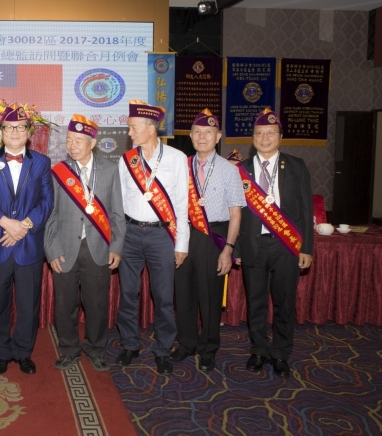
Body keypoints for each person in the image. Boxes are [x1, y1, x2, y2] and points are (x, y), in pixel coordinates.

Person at [0, 104, 54, 375]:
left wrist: (25, 225)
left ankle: (23, 352)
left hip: (28, 244)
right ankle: (2, 351)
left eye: (20, 127)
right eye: (9, 128)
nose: (15, 132)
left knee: (28, 303)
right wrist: (6, 223)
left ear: (29, 131)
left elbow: (47, 201)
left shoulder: (41, 162)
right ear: (1, 131)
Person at [235, 108, 313, 378]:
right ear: (253, 138)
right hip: (253, 245)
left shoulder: (296, 166)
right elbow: (236, 213)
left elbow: (306, 210)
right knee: (255, 302)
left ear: (280, 136)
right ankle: (258, 350)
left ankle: (280, 352)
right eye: (259, 133)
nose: (265, 138)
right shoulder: (241, 170)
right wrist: (236, 247)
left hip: (286, 246)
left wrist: (307, 248)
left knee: (284, 302)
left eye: (270, 133)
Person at [44, 115, 125, 372]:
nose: (72, 145)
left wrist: (116, 246)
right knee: (64, 304)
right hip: (65, 249)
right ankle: (69, 349)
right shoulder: (59, 172)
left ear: (92, 143)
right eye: (69, 140)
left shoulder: (110, 169)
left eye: (79, 141)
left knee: (97, 304)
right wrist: (52, 250)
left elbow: (117, 213)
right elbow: (51, 215)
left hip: (98, 248)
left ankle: (96, 349)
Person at [116, 100, 189, 375]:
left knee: (163, 296)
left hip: (162, 235)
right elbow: (120, 202)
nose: (130, 133)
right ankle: (130, 344)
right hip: (130, 234)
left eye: (133, 128)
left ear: (150, 128)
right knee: (128, 293)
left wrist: (181, 243)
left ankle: (163, 349)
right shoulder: (127, 159)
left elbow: (182, 204)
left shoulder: (176, 158)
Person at [171, 109, 244, 372]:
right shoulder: (181, 166)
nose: (202, 137)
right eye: (197, 132)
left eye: (208, 133)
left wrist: (228, 249)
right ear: (190, 136)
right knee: (183, 293)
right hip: (184, 235)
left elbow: (236, 214)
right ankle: (187, 343)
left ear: (218, 136)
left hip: (214, 236)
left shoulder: (229, 170)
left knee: (210, 295)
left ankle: (209, 347)